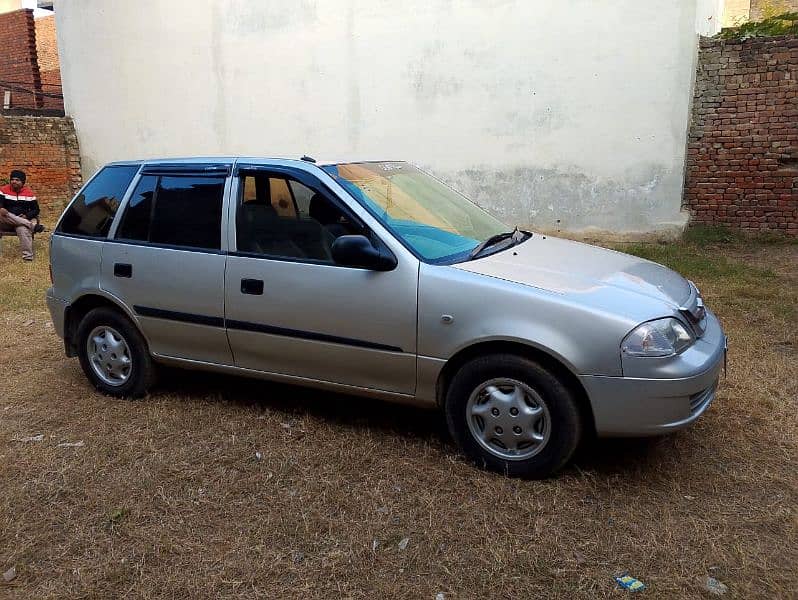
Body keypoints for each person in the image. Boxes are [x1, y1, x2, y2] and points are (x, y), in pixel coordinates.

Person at [0, 170, 43, 261]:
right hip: (5, 221)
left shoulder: (29, 194)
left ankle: (28, 257)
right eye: (12, 179)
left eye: (17, 180)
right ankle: (32, 226)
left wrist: (26, 216)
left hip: (20, 222)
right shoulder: (3, 190)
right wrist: (1, 208)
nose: (14, 181)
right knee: (5, 214)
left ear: (22, 182)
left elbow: (36, 210)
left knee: (22, 229)